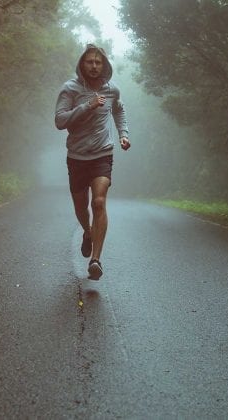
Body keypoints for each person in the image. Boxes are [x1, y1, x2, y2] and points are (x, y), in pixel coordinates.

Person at [55, 44, 131, 280]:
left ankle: (96, 260)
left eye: (98, 62)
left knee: (98, 202)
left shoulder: (111, 90)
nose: (94, 66)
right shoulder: (70, 89)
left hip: (102, 153)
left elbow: (118, 110)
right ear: (82, 64)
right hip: (77, 157)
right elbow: (60, 121)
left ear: (104, 64)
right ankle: (87, 233)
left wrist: (123, 134)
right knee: (81, 206)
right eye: (90, 62)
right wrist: (87, 105)